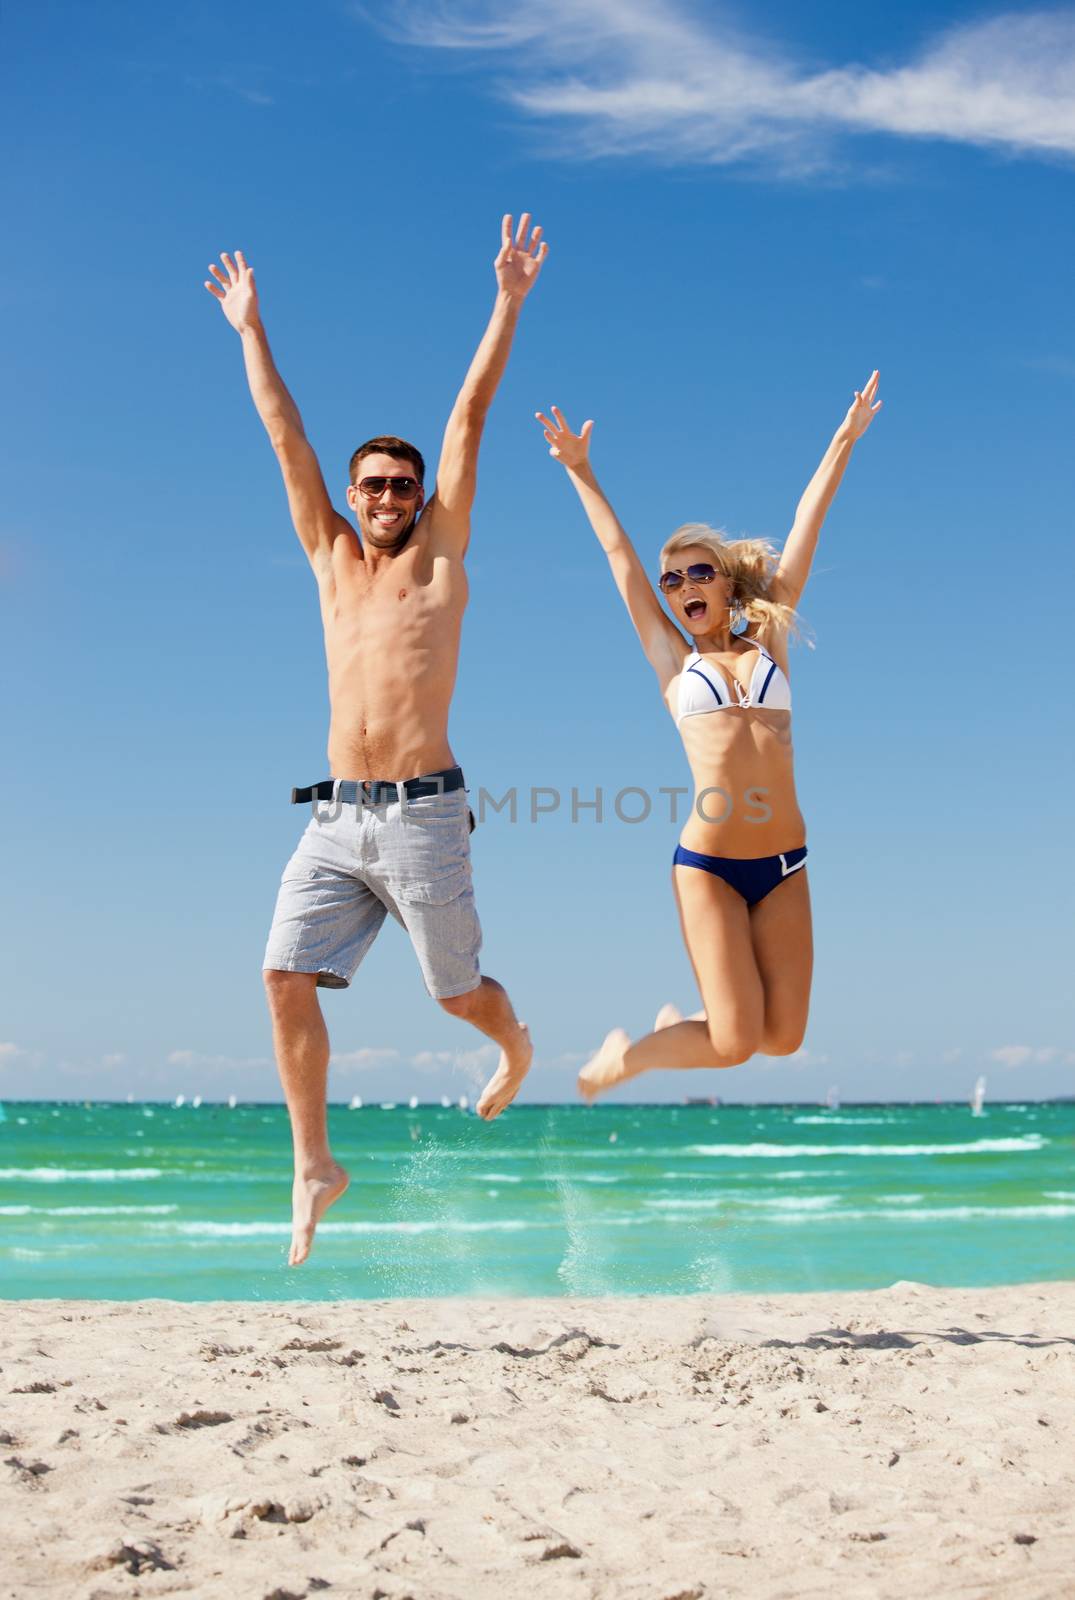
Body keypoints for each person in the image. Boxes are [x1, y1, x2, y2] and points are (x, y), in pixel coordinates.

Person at [205, 215, 545, 1264]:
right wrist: (250, 329)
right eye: (375, 486)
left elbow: (472, 412)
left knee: (455, 994)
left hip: (425, 815)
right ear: (352, 499)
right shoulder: (330, 556)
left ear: (421, 498)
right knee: (279, 974)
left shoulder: (439, 556)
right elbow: (283, 435)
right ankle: (314, 1162)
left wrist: (508, 299)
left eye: (403, 484)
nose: (389, 497)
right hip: (334, 817)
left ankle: (515, 1041)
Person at [535, 374, 882, 1099]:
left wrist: (842, 441)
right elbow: (618, 561)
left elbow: (805, 525)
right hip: (710, 867)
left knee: (782, 1039)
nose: (684, 585)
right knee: (732, 1046)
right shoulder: (674, 663)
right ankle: (624, 1058)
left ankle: (677, 1019)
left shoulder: (769, 643)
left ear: (725, 583)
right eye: (673, 581)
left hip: (785, 861)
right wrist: (581, 473)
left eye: (699, 572)